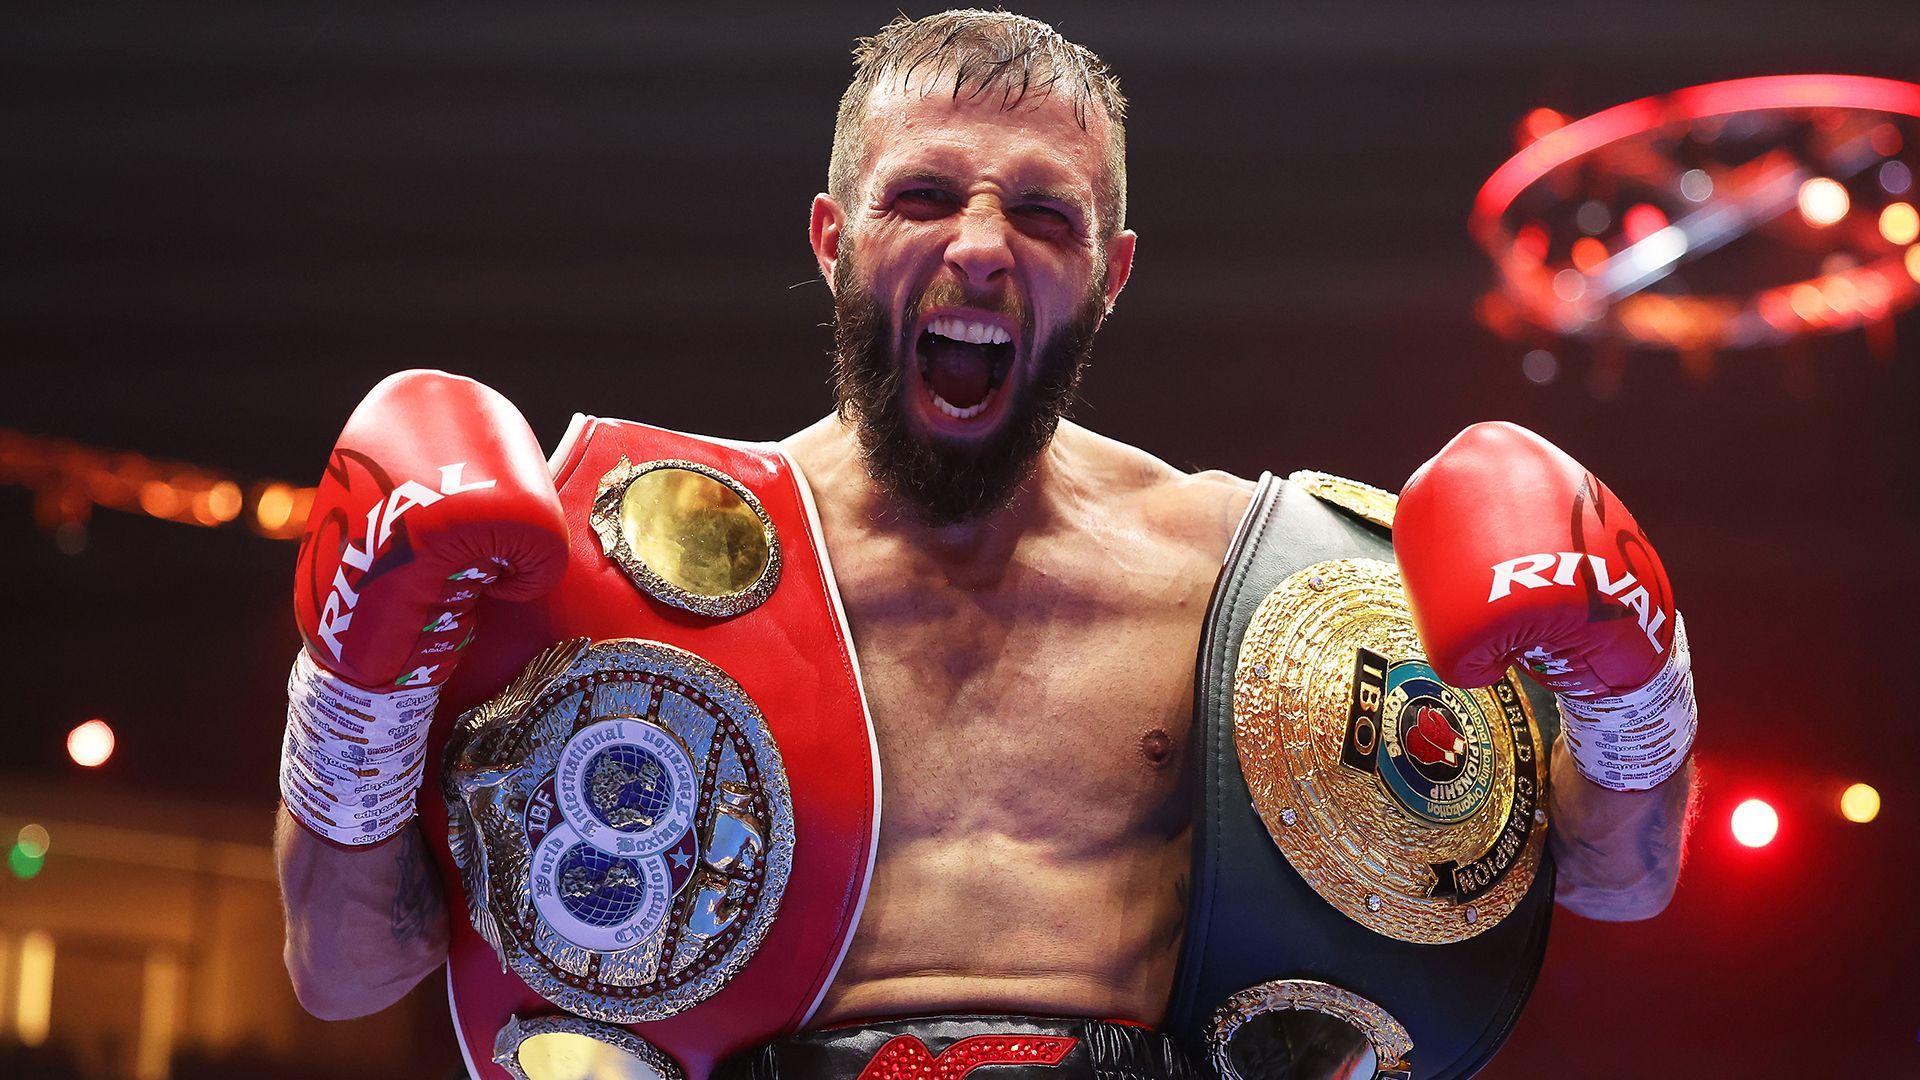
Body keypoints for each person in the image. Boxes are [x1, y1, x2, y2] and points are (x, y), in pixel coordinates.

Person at [274, 11, 1697, 1078]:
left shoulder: (1245, 585)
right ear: (832, 240)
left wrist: (1640, 696)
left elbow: (1622, 880)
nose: (977, 245)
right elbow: (345, 970)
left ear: (1110, 273)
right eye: (922, 196)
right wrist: (356, 693)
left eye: (1040, 212)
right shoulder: (616, 579)